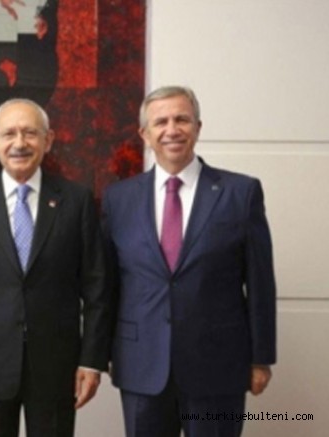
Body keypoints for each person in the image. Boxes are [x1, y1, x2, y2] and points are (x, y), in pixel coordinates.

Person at [102, 85, 277, 436]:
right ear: (144, 134)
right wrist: (99, 352)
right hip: (141, 364)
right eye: (161, 122)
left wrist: (261, 357)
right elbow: (107, 285)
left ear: (198, 127)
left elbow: (260, 283)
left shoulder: (240, 193)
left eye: (181, 119)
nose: (172, 130)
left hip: (218, 365)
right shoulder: (118, 199)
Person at [0, 98, 110, 437]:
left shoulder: (77, 201)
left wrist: (92, 360)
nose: (20, 143)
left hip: (56, 364)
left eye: (30, 133)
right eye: (9, 134)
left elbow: (96, 289)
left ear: (48, 140)